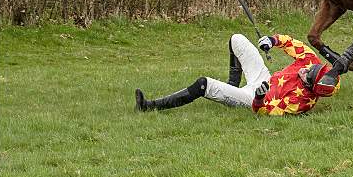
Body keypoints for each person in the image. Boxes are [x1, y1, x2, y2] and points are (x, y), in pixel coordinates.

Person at [134, 33, 339, 116]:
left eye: (306, 76)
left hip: (253, 99)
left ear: (311, 87)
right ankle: (232, 84)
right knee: (237, 39)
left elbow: (265, 112)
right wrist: (272, 40)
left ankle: (149, 106)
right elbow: (291, 43)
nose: (304, 70)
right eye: (308, 68)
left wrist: (258, 97)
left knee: (204, 84)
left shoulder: (301, 102)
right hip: (263, 78)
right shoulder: (313, 63)